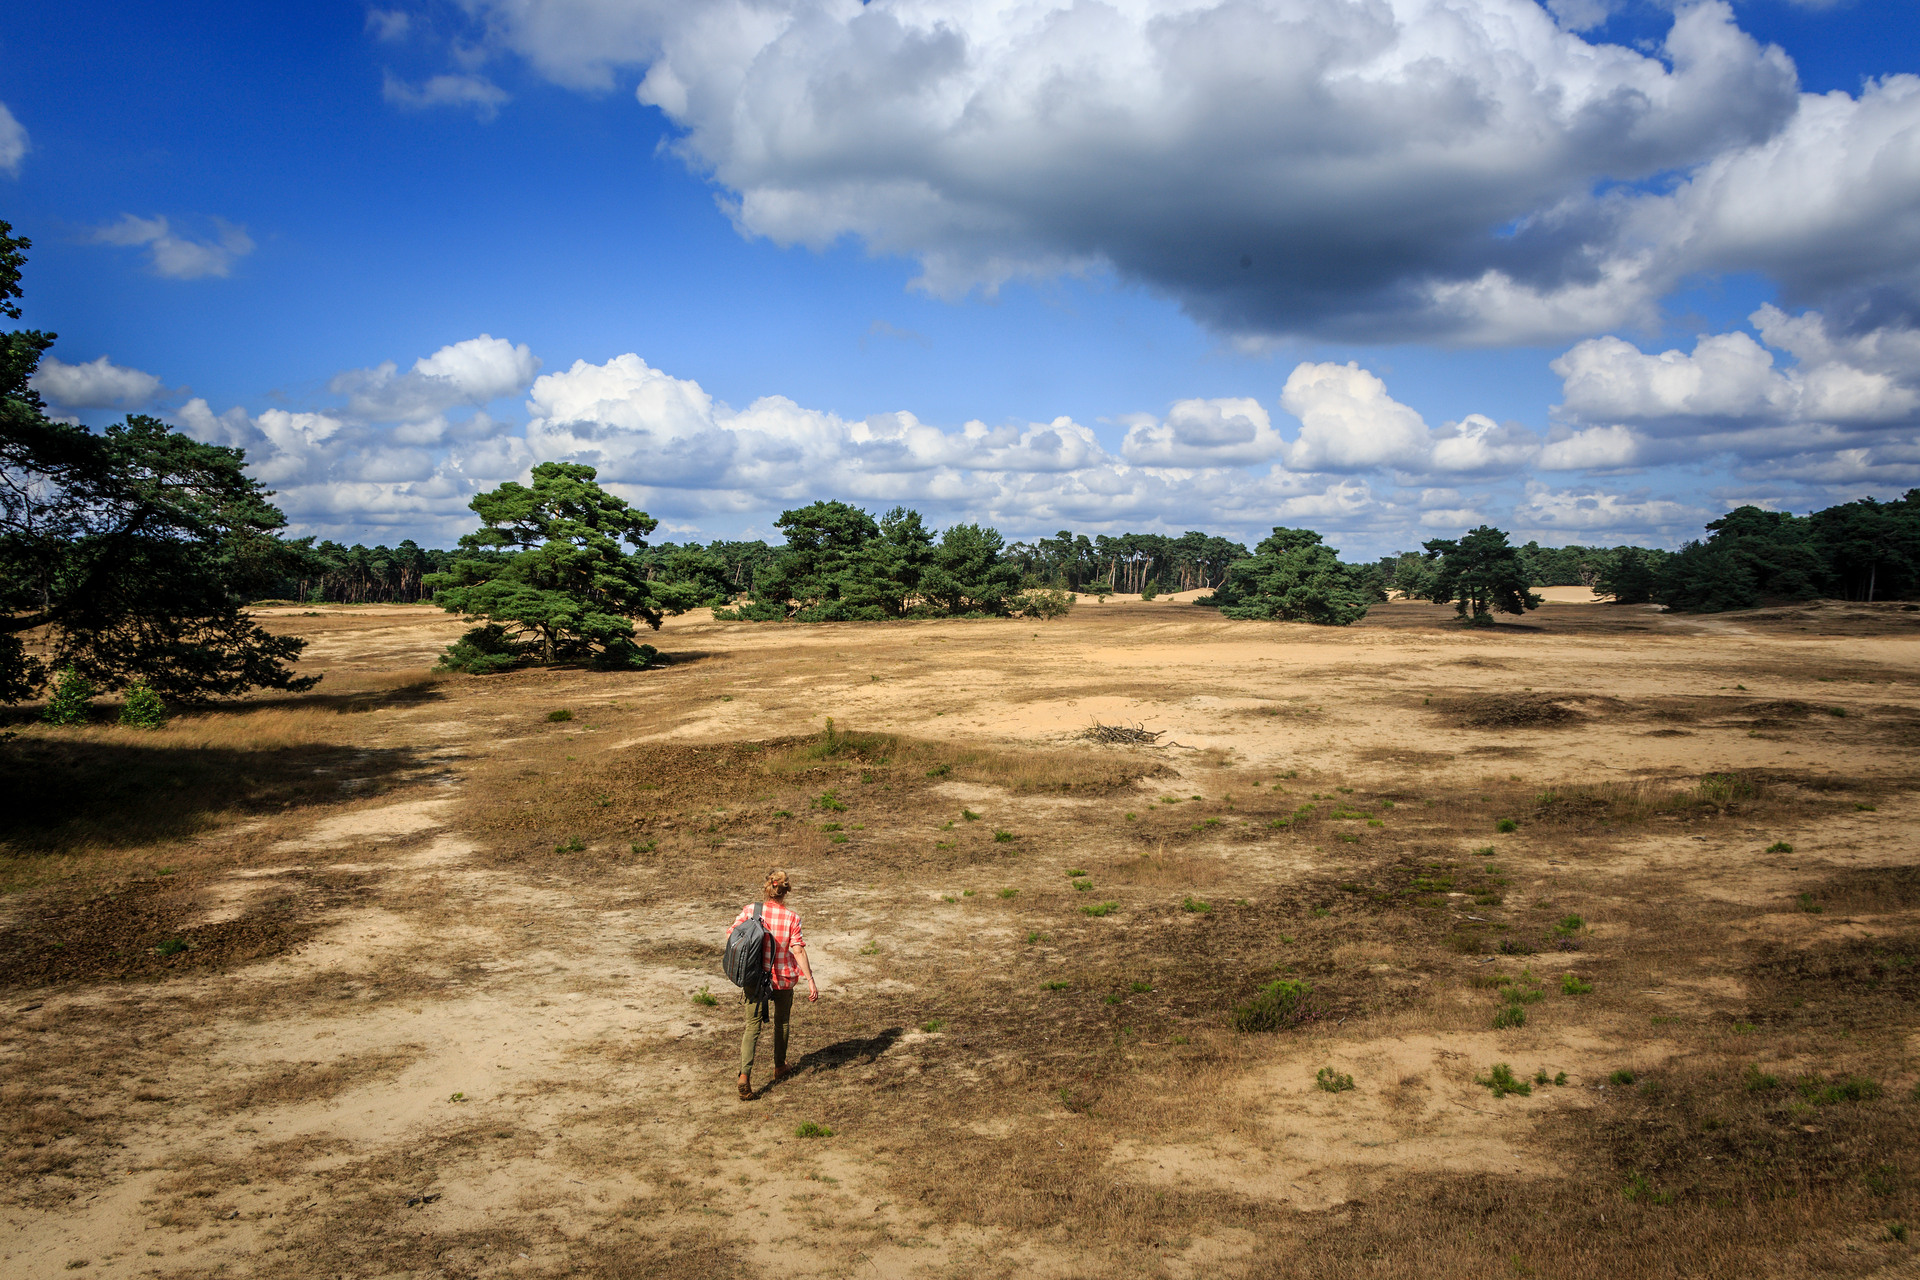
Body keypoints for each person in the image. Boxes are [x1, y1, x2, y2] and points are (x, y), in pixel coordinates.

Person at [728, 868, 819, 1101]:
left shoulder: (750, 911)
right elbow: (797, 950)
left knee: (752, 1027)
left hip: (755, 978)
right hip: (783, 978)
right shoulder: (792, 918)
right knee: (782, 1022)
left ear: (768, 888)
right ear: (785, 891)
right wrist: (810, 980)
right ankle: (779, 1066)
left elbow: (732, 934)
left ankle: (744, 1076)